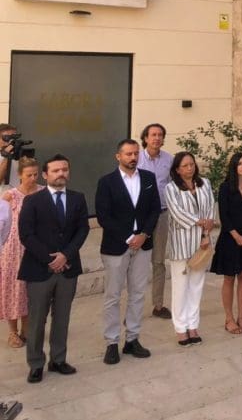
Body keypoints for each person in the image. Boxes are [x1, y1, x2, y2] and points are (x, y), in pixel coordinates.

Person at [18, 154, 89, 383]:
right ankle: (36, 363)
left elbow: (83, 229)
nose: (61, 174)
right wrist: (50, 259)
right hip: (40, 269)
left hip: (68, 268)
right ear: (46, 175)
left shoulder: (78, 198)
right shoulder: (32, 201)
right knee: (37, 319)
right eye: (56, 170)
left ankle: (58, 359)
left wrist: (66, 255)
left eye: (65, 169)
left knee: (62, 317)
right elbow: (26, 234)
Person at [95, 139, 160, 364]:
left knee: (138, 294)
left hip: (143, 246)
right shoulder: (107, 182)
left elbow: (154, 210)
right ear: (118, 156)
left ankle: (132, 339)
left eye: (135, 154)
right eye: (128, 154)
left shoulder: (149, 179)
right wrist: (128, 237)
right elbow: (104, 216)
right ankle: (111, 342)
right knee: (112, 295)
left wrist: (144, 235)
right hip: (116, 246)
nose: (133, 157)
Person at [165, 152, 216, 346]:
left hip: (202, 243)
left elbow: (210, 207)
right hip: (182, 243)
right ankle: (180, 328)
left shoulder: (205, 183)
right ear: (177, 169)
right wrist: (199, 222)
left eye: (192, 164)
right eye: (185, 165)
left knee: (196, 286)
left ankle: (193, 325)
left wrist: (205, 234)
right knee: (180, 287)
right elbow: (177, 213)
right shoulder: (171, 188)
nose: (189, 168)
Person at [210, 153, 242, 334]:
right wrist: (237, 236)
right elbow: (224, 215)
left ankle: (241, 317)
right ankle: (229, 318)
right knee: (229, 278)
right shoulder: (225, 187)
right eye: (240, 163)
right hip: (230, 239)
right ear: (234, 166)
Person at [1, 158, 41, 348]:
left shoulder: (43, 193)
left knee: (30, 291)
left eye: (35, 174)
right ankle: (12, 331)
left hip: (36, 248)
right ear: (19, 175)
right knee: (13, 289)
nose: (32, 178)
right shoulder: (10, 196)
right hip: (13, 250)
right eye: (28, 175)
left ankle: (28, 329)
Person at [137, 122, 174, 320]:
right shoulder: (136, 158)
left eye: (160, 134)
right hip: (140, 217)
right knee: (136, 263)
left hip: (161, 215)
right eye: (153, 134)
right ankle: (133, 309)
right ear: (145, 138)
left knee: (158, 261)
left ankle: (158, 305)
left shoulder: (169, 160)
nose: (157, 138)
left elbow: (173, 186)